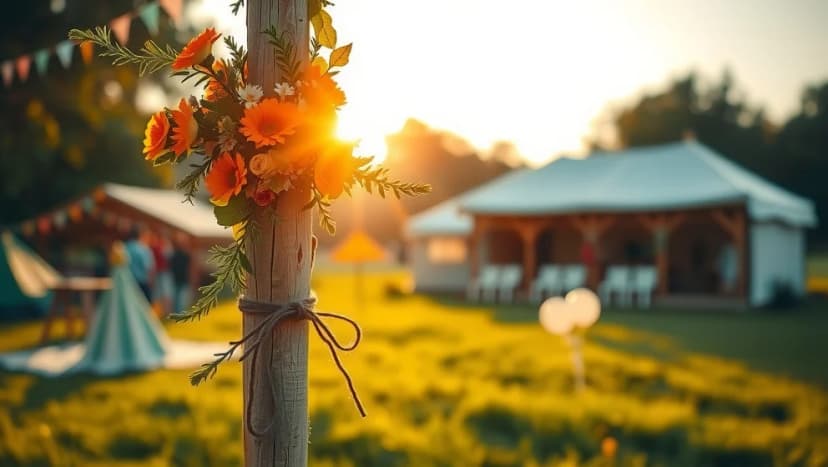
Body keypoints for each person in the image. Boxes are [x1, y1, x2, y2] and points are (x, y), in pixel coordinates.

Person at [124, 227, 155, 302]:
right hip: (141, 283)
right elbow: (149, 268)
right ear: (141, 235)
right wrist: (151, 283)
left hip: (127, 282)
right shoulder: (144, 248)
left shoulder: (125, 246)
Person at [150, 234, 174, 317]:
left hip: (163, 272)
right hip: (161, 272)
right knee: (161, 294)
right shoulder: (158, 247)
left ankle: (165, 312)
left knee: (163, 293)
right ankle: (160, 312)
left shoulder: (160, 247)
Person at [169, 233, 192, 315]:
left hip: (180, 278)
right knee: (178, 297)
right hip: (179, 278)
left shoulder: (179, 255)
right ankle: (178, 312)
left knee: (179, 297)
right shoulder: (177, 255)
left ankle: (178, 312)